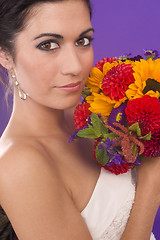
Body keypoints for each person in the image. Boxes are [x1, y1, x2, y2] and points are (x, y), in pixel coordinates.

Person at [0, 0, 159, 239]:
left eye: (82, 41)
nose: (75, 66)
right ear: (5, 55)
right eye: (48, 44)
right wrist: (151, 184)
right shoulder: (17, 165)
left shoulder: (95, 110)